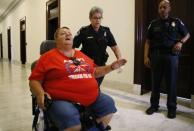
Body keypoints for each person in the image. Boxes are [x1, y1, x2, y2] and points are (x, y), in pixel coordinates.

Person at [29, 27, 127, 131]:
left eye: (69, 33)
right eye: (63, 33)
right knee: (73, 123)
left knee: (108, 104)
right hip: (62, 100)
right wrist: (40, 93)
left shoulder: (81, 55)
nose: (68, 35)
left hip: (92, 97)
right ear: (56, 40)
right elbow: (34, 80)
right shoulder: (47, 57)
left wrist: (111, 67)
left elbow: (95, 71)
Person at [144, 0, 190, 119]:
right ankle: (154, 106)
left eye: (165, 7)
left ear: (169, 9)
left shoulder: (176, 22)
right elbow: (148, 41)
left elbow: (187, 35)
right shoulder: (153, 24)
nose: (162, 9)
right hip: (156, 56)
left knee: (172, 83)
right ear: (158, 10)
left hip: (171, 57)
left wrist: (180, 42)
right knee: (155, 83)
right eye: (160, 8)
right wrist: (145, 56)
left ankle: (172, 108)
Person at [73, 6, 122, 87]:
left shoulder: (106, 31)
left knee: (96, 86)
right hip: (87, 65)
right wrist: (74, 61)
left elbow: (115, 47)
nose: (98, 20)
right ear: (90, 18)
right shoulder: (84, 31)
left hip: (101, 65)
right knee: (87, 86)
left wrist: (119, 59)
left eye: (99, 18)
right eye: (95, 18)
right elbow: (72, 47)